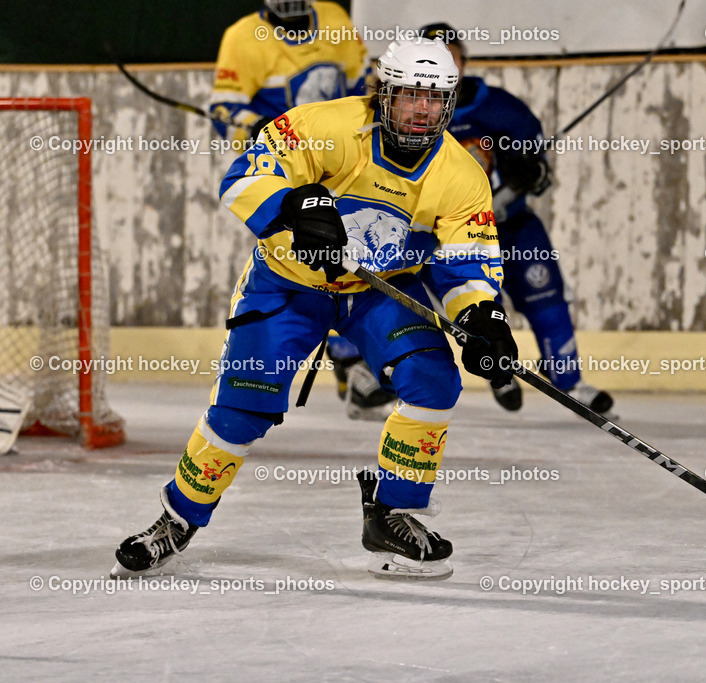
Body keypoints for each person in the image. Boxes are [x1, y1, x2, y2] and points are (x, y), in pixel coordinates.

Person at [112, 37, 517, 581]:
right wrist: (294, 204)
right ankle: (177, 519)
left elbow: (466, 264)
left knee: (433, 380)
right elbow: (244, 177)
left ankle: (392, 514)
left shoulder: (461, 175)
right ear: (383, 92)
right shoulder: (324, 125)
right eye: (410, 95)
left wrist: (482, 317)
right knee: (241, 408)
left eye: (435, 98)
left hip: (379, 292)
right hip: (288, 286)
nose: (422, 109)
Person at [209, 0, 390, 419]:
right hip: (290, 172)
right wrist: (253, 125)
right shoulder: (243, 37)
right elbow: (224, 110)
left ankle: (353, 368)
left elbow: (366, 85)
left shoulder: (335, 18)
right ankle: (344, 368)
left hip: (347, 165)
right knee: (309, 265)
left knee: (354, 256)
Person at [420, 23, 613, 414]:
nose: (445, 65)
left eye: (452, 56)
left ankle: (568, 379)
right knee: (479, 305)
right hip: (453, 235)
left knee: (547, 298)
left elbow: (538, 173)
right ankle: (499, 371)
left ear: (464, 61)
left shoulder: (501, 108)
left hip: (513, 227)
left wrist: (531, 172)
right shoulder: (414, 113)